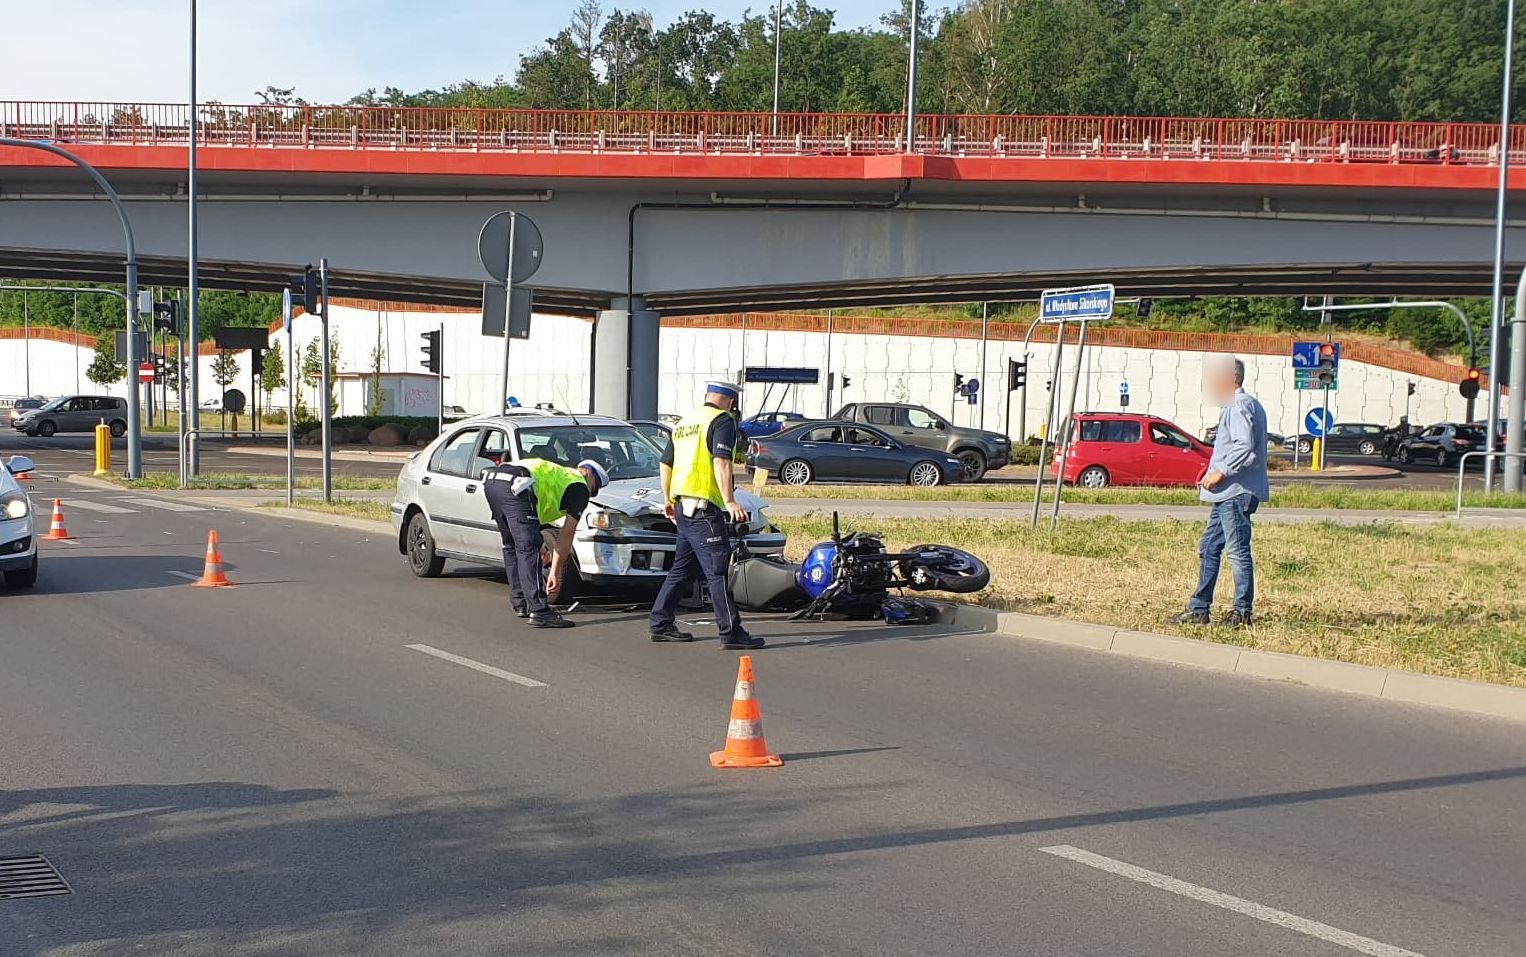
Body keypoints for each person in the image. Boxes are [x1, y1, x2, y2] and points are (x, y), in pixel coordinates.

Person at [648, 381, 762, 649]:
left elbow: (665, 463)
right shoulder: (721, 421)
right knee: (717, 571)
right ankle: (731, 631)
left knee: (683, 567)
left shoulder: (685, 423)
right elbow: (721, 461)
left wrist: (667, 497)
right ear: (732, 402)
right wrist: (731, 501)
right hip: (702, 509)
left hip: (682, 506)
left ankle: (660, 623)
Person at [1168, 356, 1269, 627]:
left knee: (1236, 550)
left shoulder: (1238, 405)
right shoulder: (1246, 405)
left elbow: (1243, 446)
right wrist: (1212, 470)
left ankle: (1242, 612)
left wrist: (1220, 472)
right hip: (1228, 492)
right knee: (1209, 546)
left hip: (1235, 492)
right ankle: (1199, 609)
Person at [481, 456, 610, 629]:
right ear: (591, 476)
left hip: (493, 481)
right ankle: (540, 611)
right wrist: (555, 573)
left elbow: (533, 517)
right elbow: (566, 536)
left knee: (512, 545)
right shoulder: (580, 487)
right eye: (595, 489)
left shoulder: (559, 477)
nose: (592, 493)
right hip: (517, 483)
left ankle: (521, 603)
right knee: (529, 548)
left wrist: (539, 542)